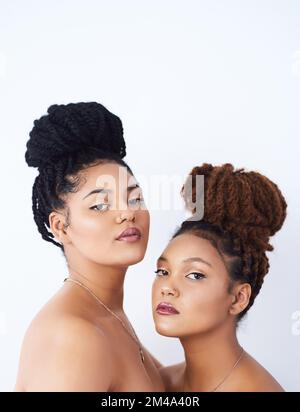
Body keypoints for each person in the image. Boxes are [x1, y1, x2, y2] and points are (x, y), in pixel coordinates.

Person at [15, 102, 164, 391]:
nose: (126, 213)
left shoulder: (108, 314)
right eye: (99, 205)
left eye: (134, 198)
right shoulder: (72, 336)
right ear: (61, 227)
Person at [152, 163, 287, 392]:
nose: (167, 288)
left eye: (195, 275)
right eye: (163, 272)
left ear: (238, 298)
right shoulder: (162, 383)